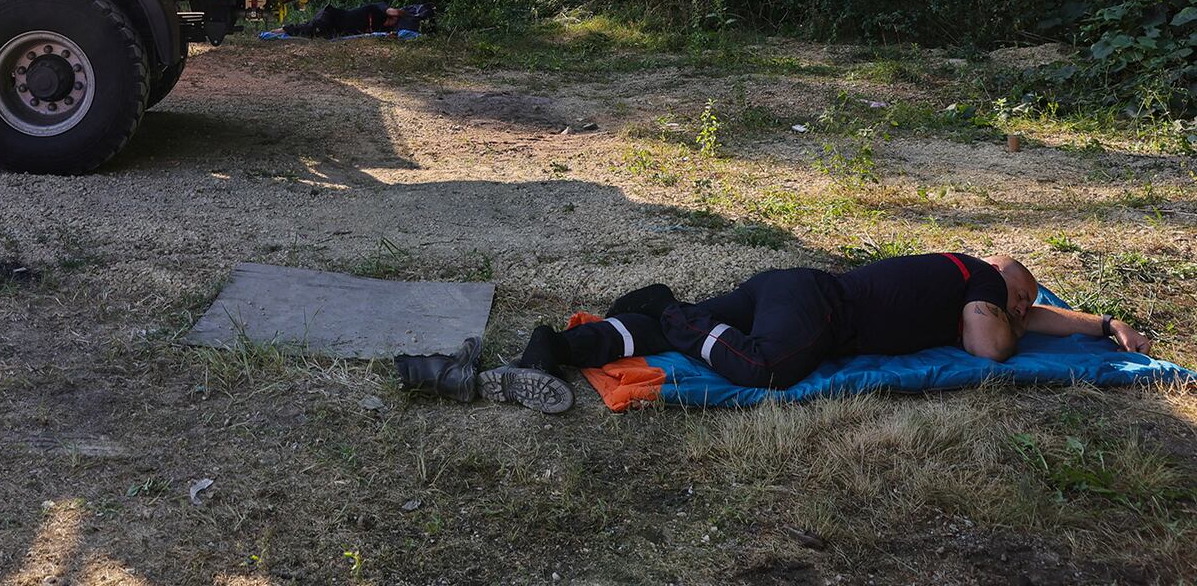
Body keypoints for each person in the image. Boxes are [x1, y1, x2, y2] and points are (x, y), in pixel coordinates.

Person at [396, 252, 1154, 413]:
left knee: (667, 341)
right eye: (1023, 300)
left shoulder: (995, 291)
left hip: (785, 289)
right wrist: (1010, 312)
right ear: (1004, 277)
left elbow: (1029, 315)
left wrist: (1101, 322)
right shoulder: (982, 278)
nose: (1025, 311)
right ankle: (677, 314)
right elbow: (994, 342)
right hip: (814, 309)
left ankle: (556, 349)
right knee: (768, 368)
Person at [278, 1, 432, 38]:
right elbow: (396, 11)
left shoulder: (382, 29)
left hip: (335, 29)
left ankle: (279, 31)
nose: (392, 25)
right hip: (331, 16)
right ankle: (276, 32)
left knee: (308, 30)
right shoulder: (380, 8)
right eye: (394, 21)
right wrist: (408, 15)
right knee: (308, 30)